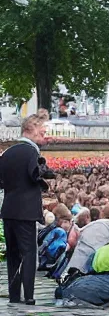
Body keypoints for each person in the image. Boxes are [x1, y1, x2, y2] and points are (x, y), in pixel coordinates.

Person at [0, 110, 54, 305]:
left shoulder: (8, 152)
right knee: (28, 252)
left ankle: (15, 295)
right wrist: (46, 181)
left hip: (9, 209)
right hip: (26, 211)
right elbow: (35, 173)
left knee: (13, 254)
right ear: (30, 129)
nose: (44, 134)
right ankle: (29, 295)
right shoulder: (31, 152)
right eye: (41, 130)